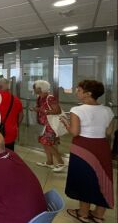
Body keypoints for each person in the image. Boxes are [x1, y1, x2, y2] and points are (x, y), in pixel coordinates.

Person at [60, 80, 115, 223]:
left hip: (83, 147)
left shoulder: (77, 110)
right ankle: (98, 215)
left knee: (84, 179)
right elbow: (109, 132)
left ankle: (83, 213)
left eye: (78, 90)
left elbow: (75, 132)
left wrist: (66, 123)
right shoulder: (108, 111)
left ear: (88, 93)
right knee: (102, 179)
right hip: (102, 147)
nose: (76, 92)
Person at [31, 80, 65, 172]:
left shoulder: (50, 98)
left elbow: (57, 110)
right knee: (45, 143)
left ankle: (61, 162)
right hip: (45, 125)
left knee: (48, 144)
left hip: (50, 125)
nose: (33, 89)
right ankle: (49, 162)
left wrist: (42, 110)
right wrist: (38, 110)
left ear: (40, 88)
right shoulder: (40, 98)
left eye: (35, 87)